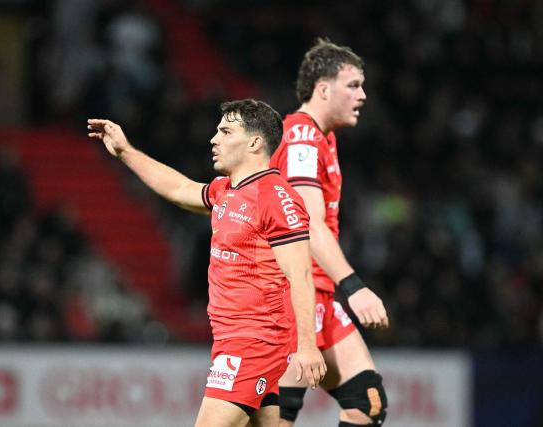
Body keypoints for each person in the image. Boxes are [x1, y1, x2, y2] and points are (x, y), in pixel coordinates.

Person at [88, 99, 326, 427]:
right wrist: (126, 151)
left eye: (226, 131)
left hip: (255, 341)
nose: (214, 139)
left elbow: (300, 273)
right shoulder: (225, 192)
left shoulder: (275, 197)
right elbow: (178, 187)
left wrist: (308, 346)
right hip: (233, 338)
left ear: (255, 142)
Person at [269, 39, 389, 426]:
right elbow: (307, 222)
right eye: (353, 85)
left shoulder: (323, 137)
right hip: (290, 298)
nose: (363, 95)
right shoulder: (302, 138)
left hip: (319, 294)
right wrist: (354, 286)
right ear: (323, 89)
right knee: (276, 418)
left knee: (366, 403)